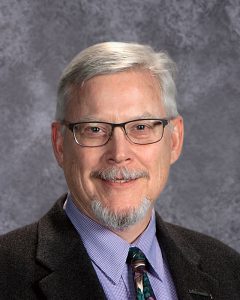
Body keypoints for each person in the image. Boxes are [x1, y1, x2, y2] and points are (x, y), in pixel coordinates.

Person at [0, 42, 239, 300]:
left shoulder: (228, 271)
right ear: (59, 144)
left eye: (141, 127)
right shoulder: (7, 275)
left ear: (174, 140)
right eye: (94, 129)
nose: (119, 153)